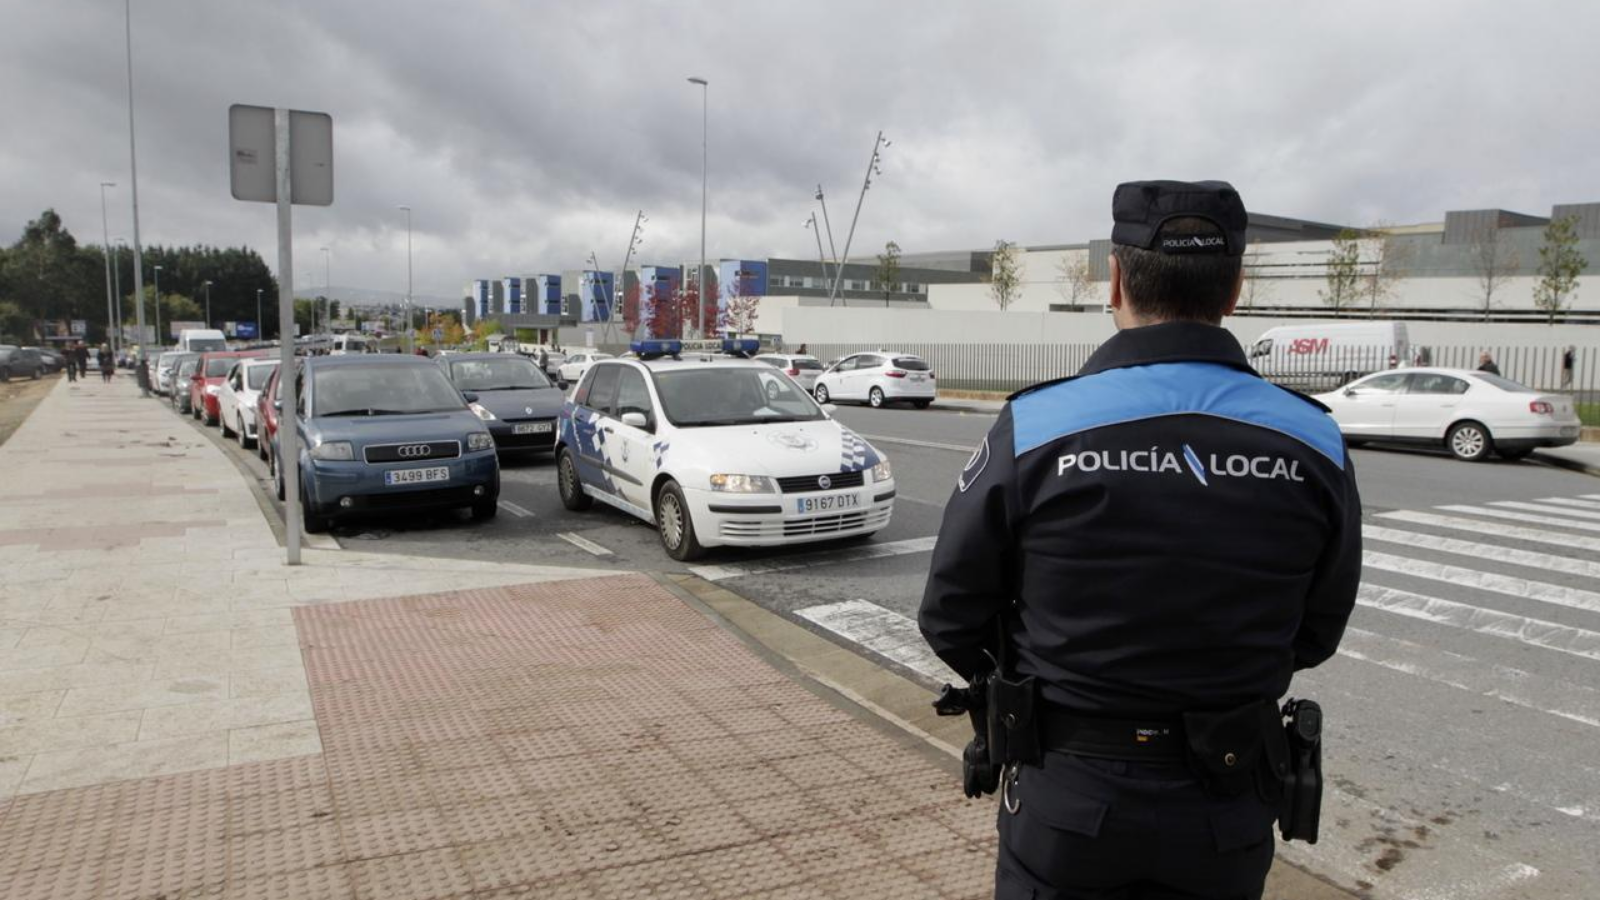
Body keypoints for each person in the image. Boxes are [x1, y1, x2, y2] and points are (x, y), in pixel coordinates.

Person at [920, 181, 1361, 900]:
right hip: (1226, 798)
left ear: (1116, 281)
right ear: (1235, 289)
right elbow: (1318, 630)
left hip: (1068, 793)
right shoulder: (1312, 437)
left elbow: (950, 613)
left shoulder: (1038, 426)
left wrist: (1039, 673)